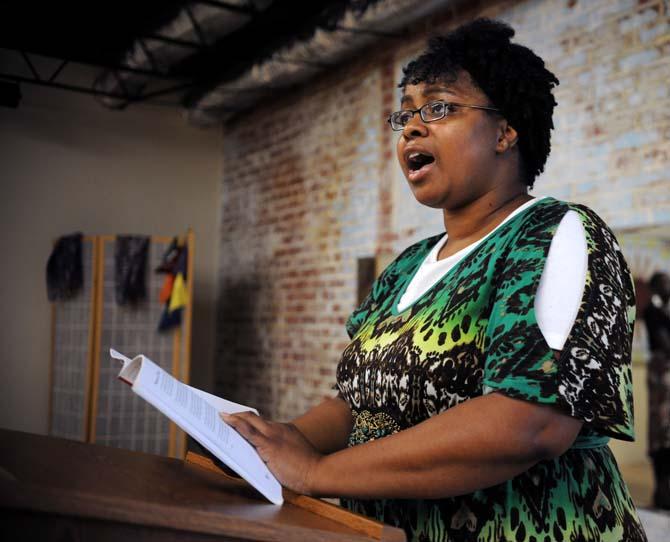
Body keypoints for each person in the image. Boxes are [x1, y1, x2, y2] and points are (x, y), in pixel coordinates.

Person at [221, 18, 647, 542]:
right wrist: (279, 441)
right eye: (406, 114)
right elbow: (360, 401)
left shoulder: (555, 234)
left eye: (439, 108)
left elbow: (530, 422)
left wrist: (314, 474)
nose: (412, 128)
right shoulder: (406, 267)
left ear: (505, 130)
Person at [643, 271, 670, 510]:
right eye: (665, 283)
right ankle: (661, 489)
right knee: (660, 435)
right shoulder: (652, 311)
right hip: (661, 378)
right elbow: (664, 343)